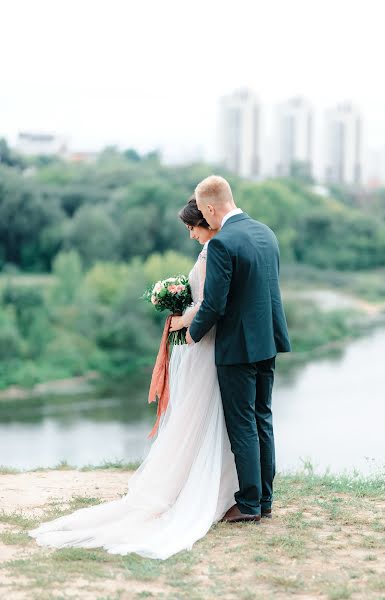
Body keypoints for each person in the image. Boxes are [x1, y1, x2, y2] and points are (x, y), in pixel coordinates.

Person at [28, 195, 238, 560]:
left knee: (200, 412)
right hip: (206, 344)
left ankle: (205, 482)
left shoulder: (214, 251)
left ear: (204, 220)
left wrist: (181, 319)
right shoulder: (214, 248)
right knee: (199, 412)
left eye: (191, 228)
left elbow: (210, 305)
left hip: (203, 341)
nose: (190, 235)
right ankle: (208, 479)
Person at [187, 175, 291, 523]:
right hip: (268, 341)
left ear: (211, 207)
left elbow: (215, 304)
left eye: (203, 211)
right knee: (263, 418)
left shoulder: (222, 244)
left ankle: (249, 504)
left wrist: (193, 333)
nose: (205, 217)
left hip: (238, 347)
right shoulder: (266, 233)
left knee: (243, 424)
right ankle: (265, 499)